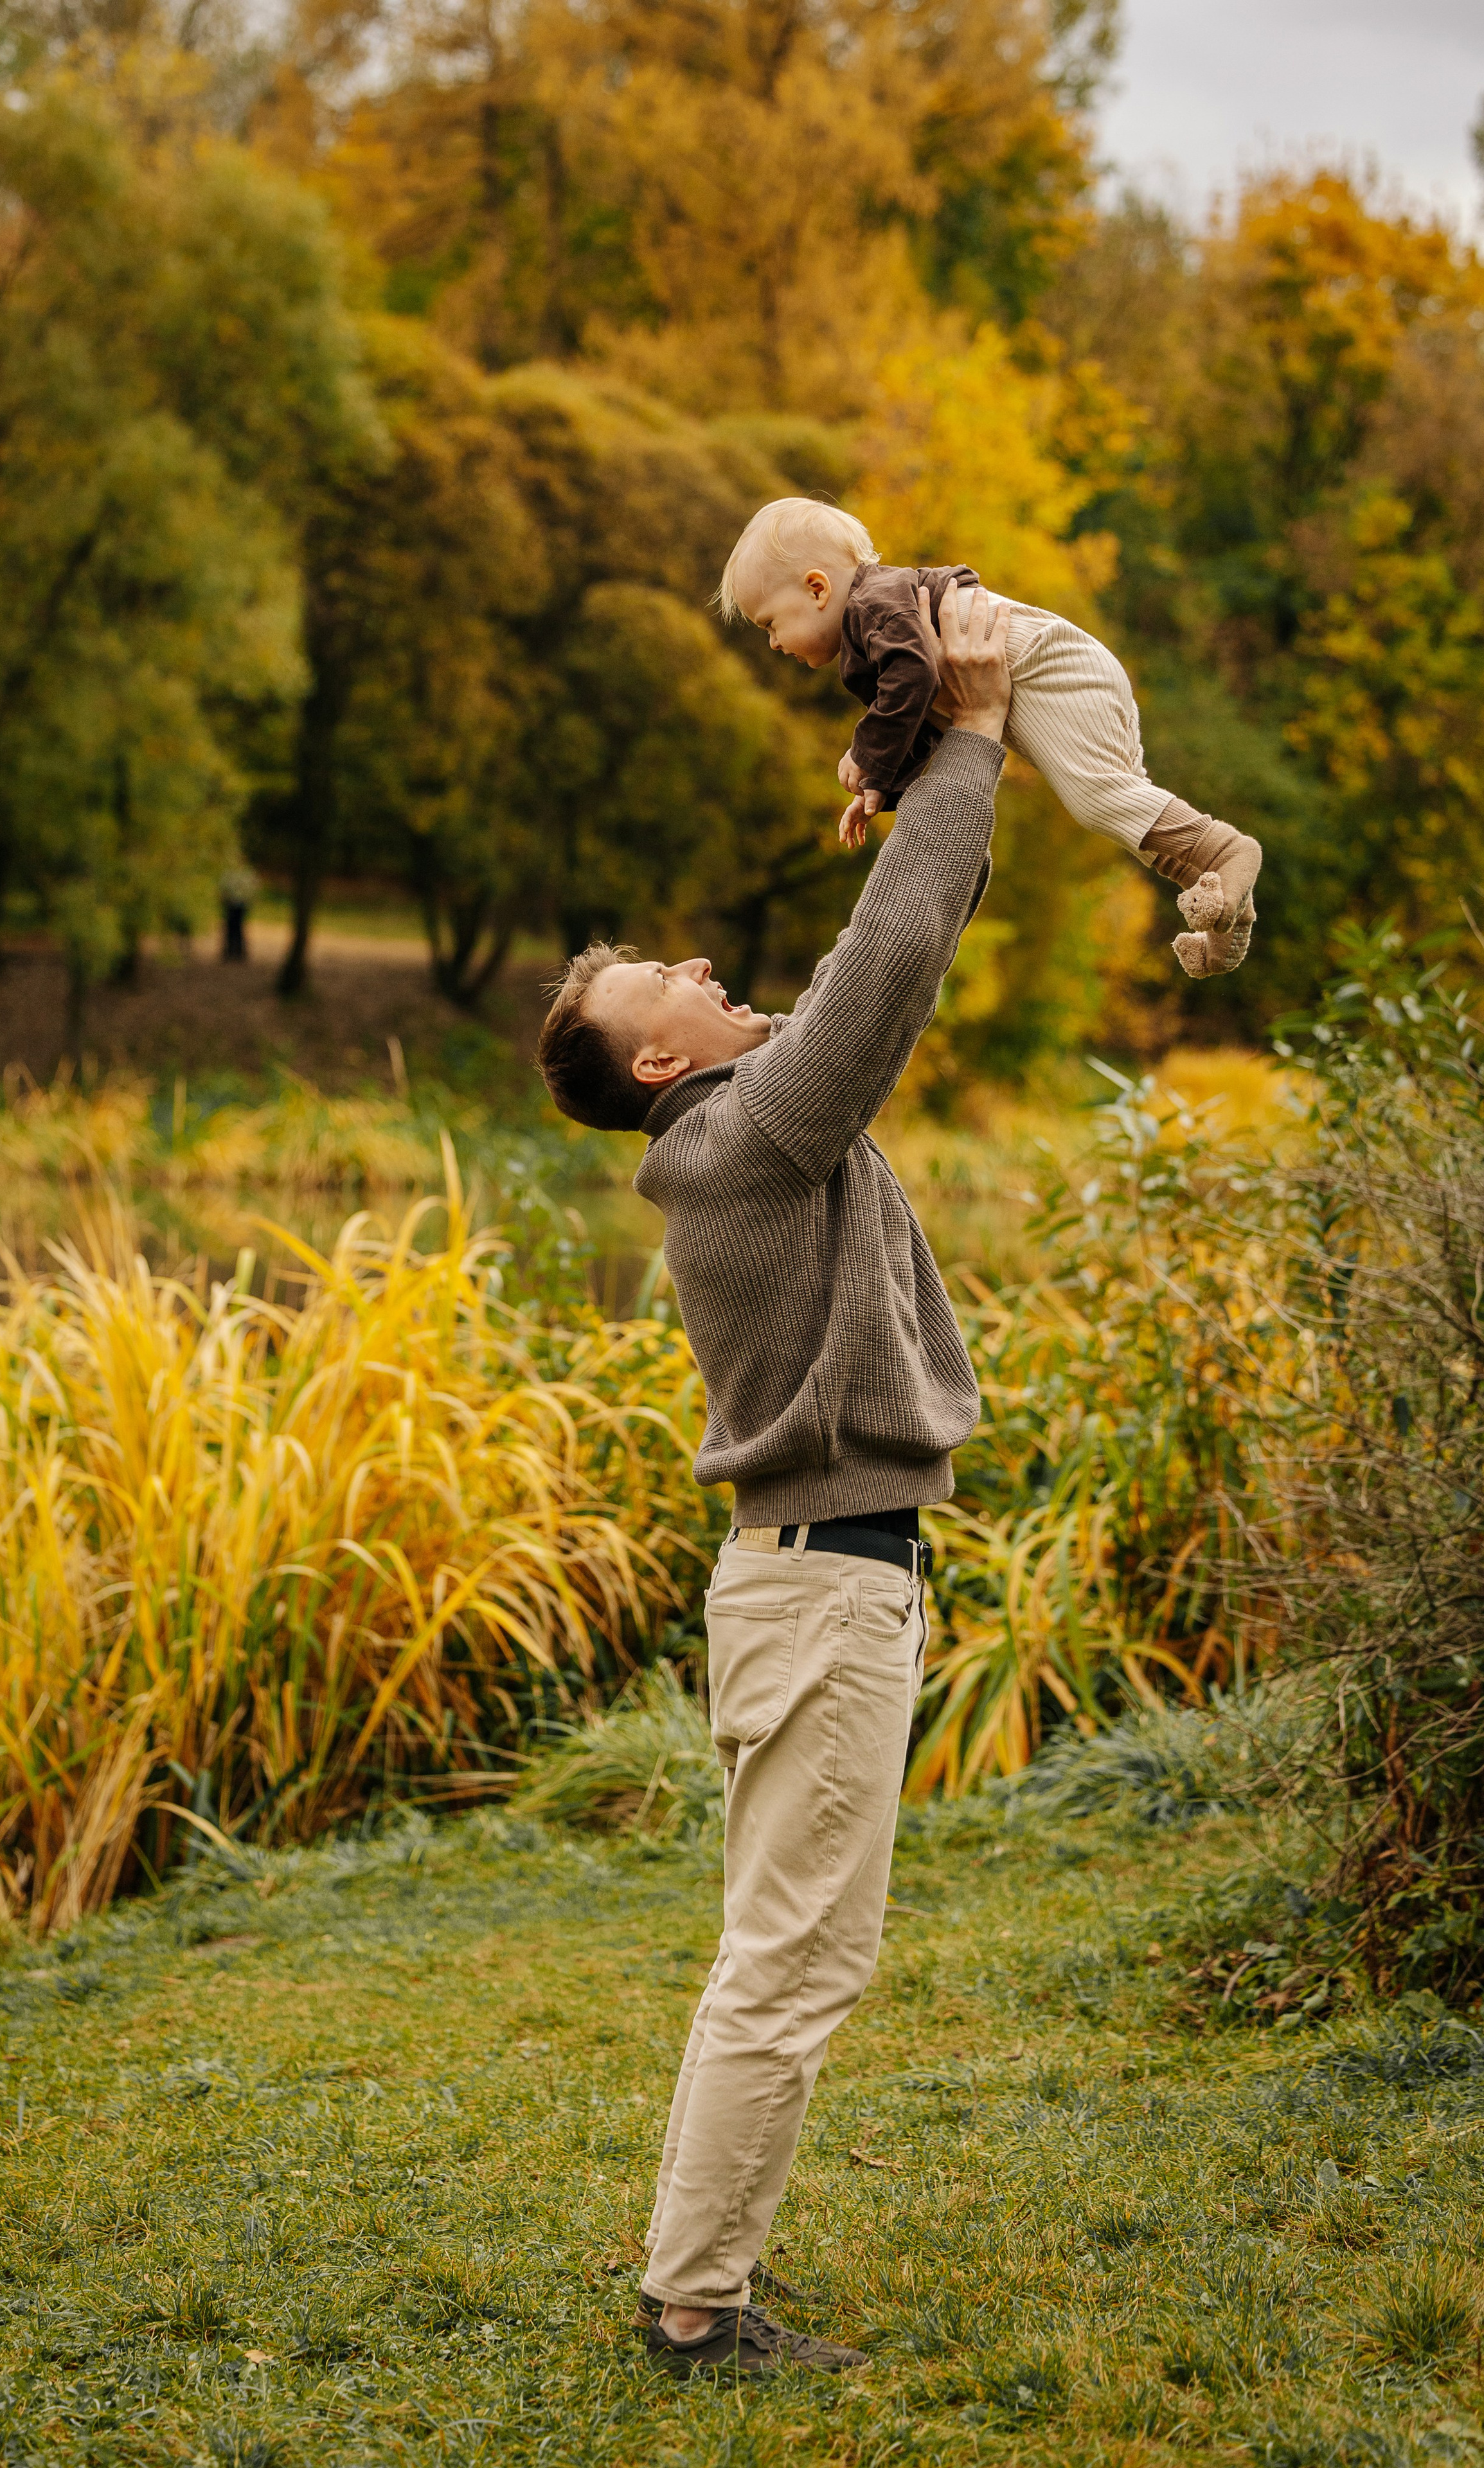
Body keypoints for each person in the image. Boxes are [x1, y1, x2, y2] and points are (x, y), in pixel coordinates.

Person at [535, 580, 1010, 2380]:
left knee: (784, 1952)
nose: (716, 980)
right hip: (821, 1584)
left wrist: (914, 770)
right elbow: (876, 979)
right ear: (659, 1064)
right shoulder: (738, 1144)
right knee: (792, 1967)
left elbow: (859, 969)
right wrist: (963, 739)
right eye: (684, 988)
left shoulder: (748, 1130)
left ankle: (692, 2279)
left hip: (819, 1578)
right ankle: (694, 2309)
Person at [717, 496, 1262, 980]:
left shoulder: (873, 605)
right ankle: (1226, 920)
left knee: (1098, 801)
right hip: (1053, 673)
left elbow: (914, 683)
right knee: (1120, 809)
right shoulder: (877, 622)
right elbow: (926, 718)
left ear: (817, 589)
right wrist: (882, 788)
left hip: (1048, 667)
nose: (772, 644)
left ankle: (1228, 851)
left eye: (769, 624)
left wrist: (867, 753)